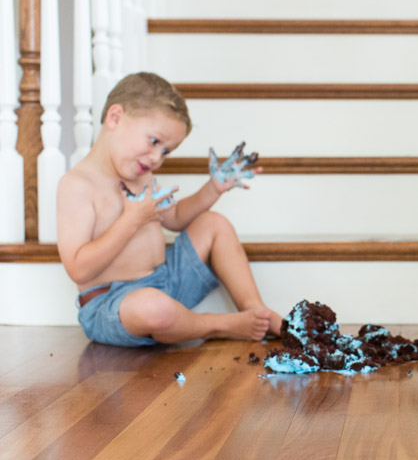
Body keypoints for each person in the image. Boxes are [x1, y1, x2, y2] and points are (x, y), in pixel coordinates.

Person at [57, 72, 283, 346]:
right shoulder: (78, 185)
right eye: (154, 141)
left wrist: (213, 189)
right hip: (114, 303)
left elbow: (174, 218)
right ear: (115, 117)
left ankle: (256, 312)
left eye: (166, 151)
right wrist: (131, 220)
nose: (156, 158)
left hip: (166, 280)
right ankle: (217, 325)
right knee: (155, 308)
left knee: (214, 224)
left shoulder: (142, 175)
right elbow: (79, 270)